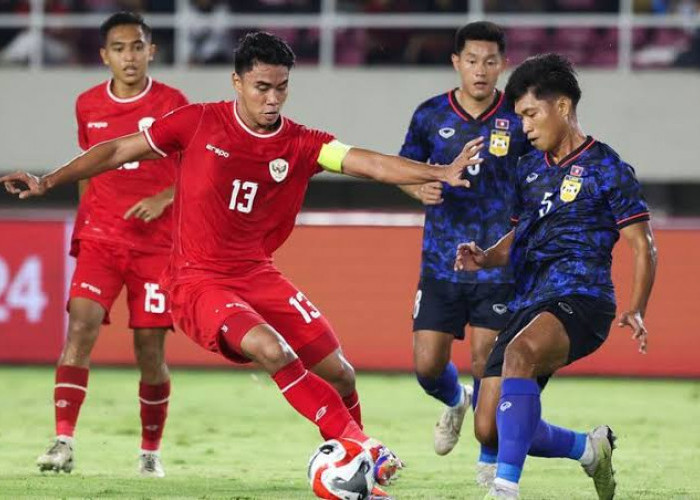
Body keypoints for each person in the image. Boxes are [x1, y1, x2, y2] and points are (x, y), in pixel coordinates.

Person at [2, 31, 483, 493]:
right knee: (272, 351)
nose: (273, 98)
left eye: (281, 88)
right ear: (237, 83)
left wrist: (438, 171)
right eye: (261, 87)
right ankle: (363, 447)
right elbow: (116, 149)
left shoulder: (302, 142)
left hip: (257, 273)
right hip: (197, 282)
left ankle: (358, 460)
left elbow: (367, 162)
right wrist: (50, 181)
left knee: (340, 373)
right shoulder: (196, 122)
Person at [454, 53, 657, 500]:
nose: (524, 126)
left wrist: (637, 308)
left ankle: (505, 490)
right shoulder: (529, 171)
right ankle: (589, 449)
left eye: (530, 113)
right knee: (489, 428)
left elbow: (643, 245)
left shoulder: (607, 167)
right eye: (519, 117)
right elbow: (519, 234)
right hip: (530, 302)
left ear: (562, 107)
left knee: (521, 353)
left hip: (582, 299)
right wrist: (486, 257)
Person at [33, 12, 189, 478]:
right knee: (81, 328)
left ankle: (149, 452)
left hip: (156, 246)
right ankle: (62, 442)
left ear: (151, 51)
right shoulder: (86, 104)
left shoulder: (173, 103)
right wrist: (86, 223)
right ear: (105, 56)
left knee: (149, 350)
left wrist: (164, 198)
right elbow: (88, 167)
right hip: (101, 238)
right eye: (119, 48)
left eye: (137, 46)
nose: (129, 56)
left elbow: (201, 169)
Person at [397, 21, 531, 482]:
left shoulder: (519, 116)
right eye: (471, 60)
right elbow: (405, 170)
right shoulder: (430, 115)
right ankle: (456, 402)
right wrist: (421, 192)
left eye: (490, 61)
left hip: (497, 266)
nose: (480, 70)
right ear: (456, 62)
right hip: (440, 262)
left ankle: (488, 461)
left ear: (503, 64)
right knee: (427, 366)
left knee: (485, 362)